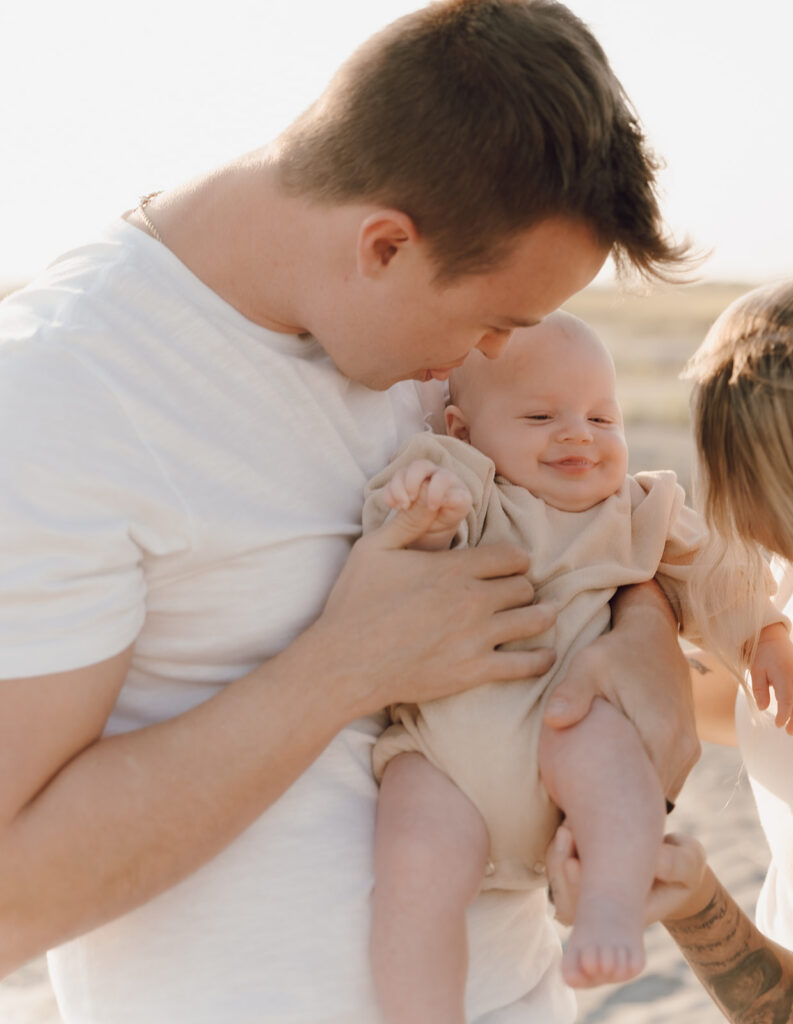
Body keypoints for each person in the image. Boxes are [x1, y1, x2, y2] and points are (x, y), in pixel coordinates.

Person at [0, 3, 701, 1022]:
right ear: (382, 245)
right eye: (494, 320)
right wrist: (343, 666)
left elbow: (580, 539)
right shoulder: (63, 393)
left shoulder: (415, 336)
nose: (496, 356)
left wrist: (647, 638)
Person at [362, 311, 793, 1023]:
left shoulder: (635, 509)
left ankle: (606, 907)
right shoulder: (470, 490)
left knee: (612, 761)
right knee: (412, 874)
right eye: (541, 415)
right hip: (444, 763)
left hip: (569, 743)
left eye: (603, 418)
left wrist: (765, 636)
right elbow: (393, 551)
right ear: (460, 430)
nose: (578, 433)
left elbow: (716, 572)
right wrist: (422, 509)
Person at [548, 265, 793, 1023]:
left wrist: (696, 903)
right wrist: (642, 616)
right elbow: (748, 711)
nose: (713, 500)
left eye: (728, 462)